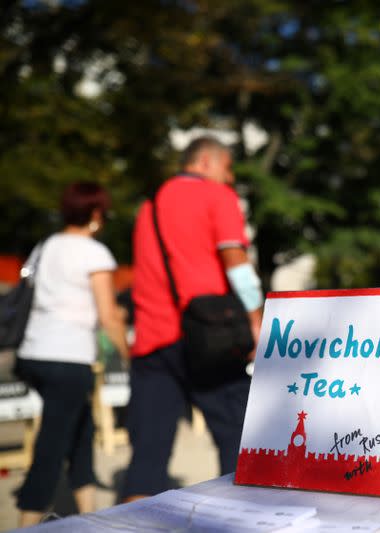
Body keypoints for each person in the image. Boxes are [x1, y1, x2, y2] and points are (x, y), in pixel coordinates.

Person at [122, 136, 263, 502]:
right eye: (227, 167)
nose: (229, 177)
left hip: (153, 341)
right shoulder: (217, 196)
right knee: (240, 441)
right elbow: (234, 258)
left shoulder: (148, 207)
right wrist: (257, 316)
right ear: (204, 161)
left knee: (147, 459)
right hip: (209, 340)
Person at [15, 182, 128, 526]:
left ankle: (91, 518)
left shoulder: (45, 246)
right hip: (69, 358)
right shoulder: (93, 253)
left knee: (80, 433)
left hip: (34, 353)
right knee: (51, 449)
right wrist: (130, 356)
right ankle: (26, 524)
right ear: (95, 214)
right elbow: (108, 315)